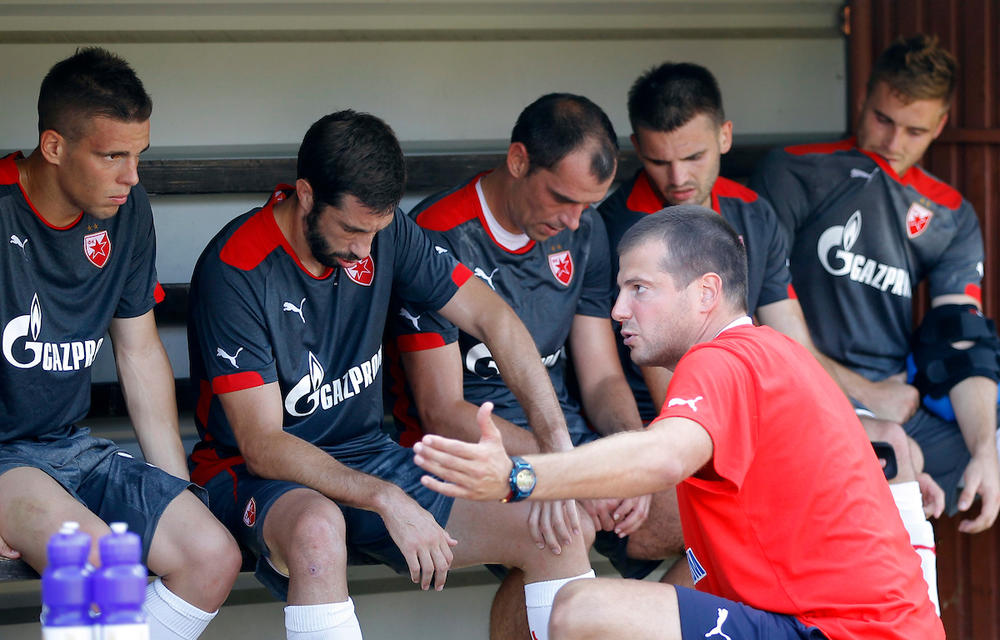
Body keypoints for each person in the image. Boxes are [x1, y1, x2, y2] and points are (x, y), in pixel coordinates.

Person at [414, 206, 944, 640]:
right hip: (832, 622)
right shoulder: (770, 352)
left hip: (837, 630)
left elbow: (664, 455)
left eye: (640, 288)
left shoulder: (723, 359)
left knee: (582, 611)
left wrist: (518, 476)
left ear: (706, 293)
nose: (618, 309)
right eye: (619, 290)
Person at [187, 109, 594, 640]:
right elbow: (263, 445)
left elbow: (491, 316)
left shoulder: (387, 232)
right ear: (306, 194)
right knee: (318, 532)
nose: (364, 250)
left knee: (559, 531)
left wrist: (558, 450)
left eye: (375, 231)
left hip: (366, 455)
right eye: (352, 230)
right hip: (254, 475)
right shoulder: (237, 267)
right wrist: (385, 497)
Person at [387, 93, 656, 638]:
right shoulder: (439, 234)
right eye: (562, 198)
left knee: (708, 505)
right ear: (517, 161)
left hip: (564, 440)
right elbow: (442, 412)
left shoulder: (584, 228)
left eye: (588, 204)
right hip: (470, 456)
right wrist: (567, 470)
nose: (574, 220)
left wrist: (632, 457)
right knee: (563, 532)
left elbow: (602, 376)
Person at [750, 34, 1000, 606]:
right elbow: (762, 309)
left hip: (898, 403)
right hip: (805, 399)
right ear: (863, 98)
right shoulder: (795, 170)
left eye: (914, 130)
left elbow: (960, 339)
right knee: (885, 470)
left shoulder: (950, 213)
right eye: (883, 119)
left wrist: (985, 450)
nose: (892, 141)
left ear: (940, 127)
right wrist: (865, 394)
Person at [0, 47, 241, 639]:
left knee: (212, 555)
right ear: (53, 146)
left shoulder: (126, 210)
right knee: (103, 572)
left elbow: (139, 351)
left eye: (139, 155)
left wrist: (176, 486)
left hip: (68, 448)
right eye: (112, 156)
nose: (131, 176)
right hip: (4, 462)